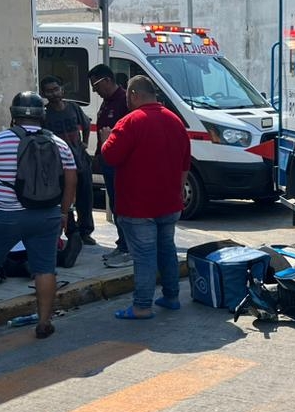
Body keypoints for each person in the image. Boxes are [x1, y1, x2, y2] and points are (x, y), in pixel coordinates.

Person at [0, 92, 77, 339]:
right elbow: (70, 181)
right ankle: (44, 321)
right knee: (45, 268)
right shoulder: (59, 143)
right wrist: (64, 212)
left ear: (14, 114)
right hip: (46, 216)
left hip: (5, 215)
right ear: (41, 115)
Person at [102, 75, 191, 320]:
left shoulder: (130, 122)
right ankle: (171, 297)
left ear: (134, 95)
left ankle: (142, 306)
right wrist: (176, 193)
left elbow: (110, 157)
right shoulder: (175, 121)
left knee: (144, 256)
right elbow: (185, 165)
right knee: (167, 250)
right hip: (169, 204)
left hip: (138, 206)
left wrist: (105, 139)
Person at [40, 75, 96, 244]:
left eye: (56, 89)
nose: (54, 94)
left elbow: (86, 124)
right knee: (65, 198)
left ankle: (86, 231)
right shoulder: (44, 115)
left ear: (62, 89)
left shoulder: (73, 107)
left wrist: (85, 143)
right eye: (49, 91)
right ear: (44, 94)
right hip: (59, 165)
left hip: (80, 160)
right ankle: (73, 232)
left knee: (85, 197)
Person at [88, 64, 133, 268]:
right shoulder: (106, 103)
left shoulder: (124, 101)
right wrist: (99, 156)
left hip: (121, 165)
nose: (94, 91)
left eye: (95, 85)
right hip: (108, 163)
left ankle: (128, 248)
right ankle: (122, 243)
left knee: (124, 207)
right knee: (116, 206)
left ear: (107, 80)